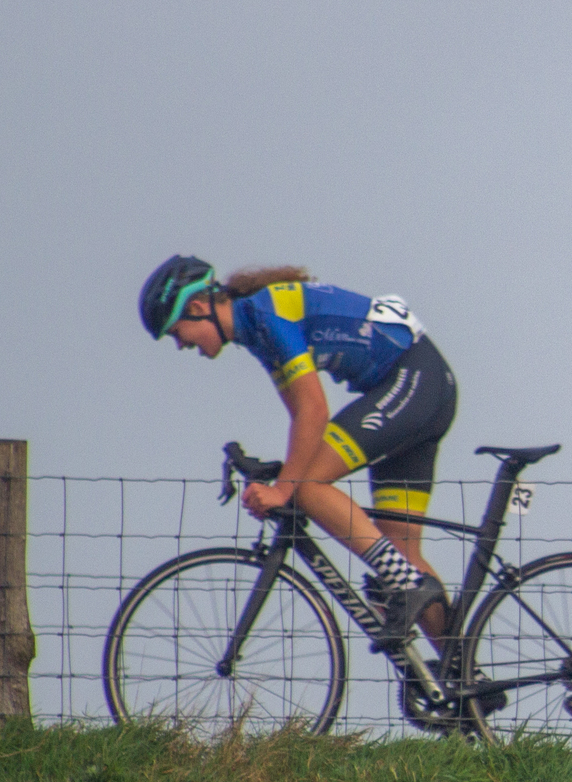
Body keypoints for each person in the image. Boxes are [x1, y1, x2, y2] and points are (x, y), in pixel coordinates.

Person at [140, 256, 458, 642]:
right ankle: (461, 678)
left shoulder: (265, 312)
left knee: (308, 488)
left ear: (197, 308)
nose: (180, 345)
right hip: (422, 384)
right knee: (401, 551)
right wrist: (279, 476)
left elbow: (314, 410)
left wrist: (285, 488)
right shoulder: (253, 330)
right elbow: (300, 421)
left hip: (411, 379)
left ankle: (408, 585)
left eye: (177, 332)